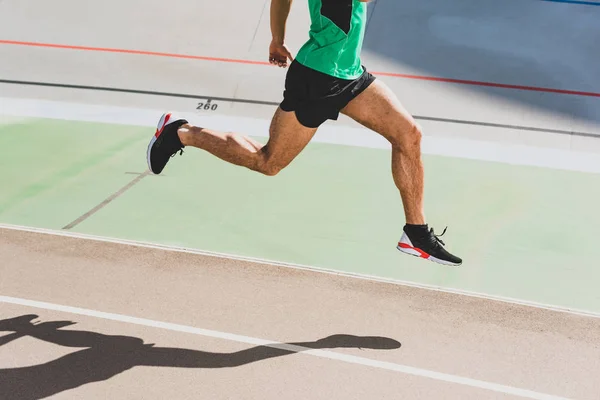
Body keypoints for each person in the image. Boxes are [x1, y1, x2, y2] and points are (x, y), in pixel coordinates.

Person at [146, 0, 462, 266]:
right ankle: (180, 133)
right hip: (318, 79)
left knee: (408, 135)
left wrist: (276, 38)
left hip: (349, 74)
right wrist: (276, 38)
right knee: (267, 162)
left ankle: (416, 233)